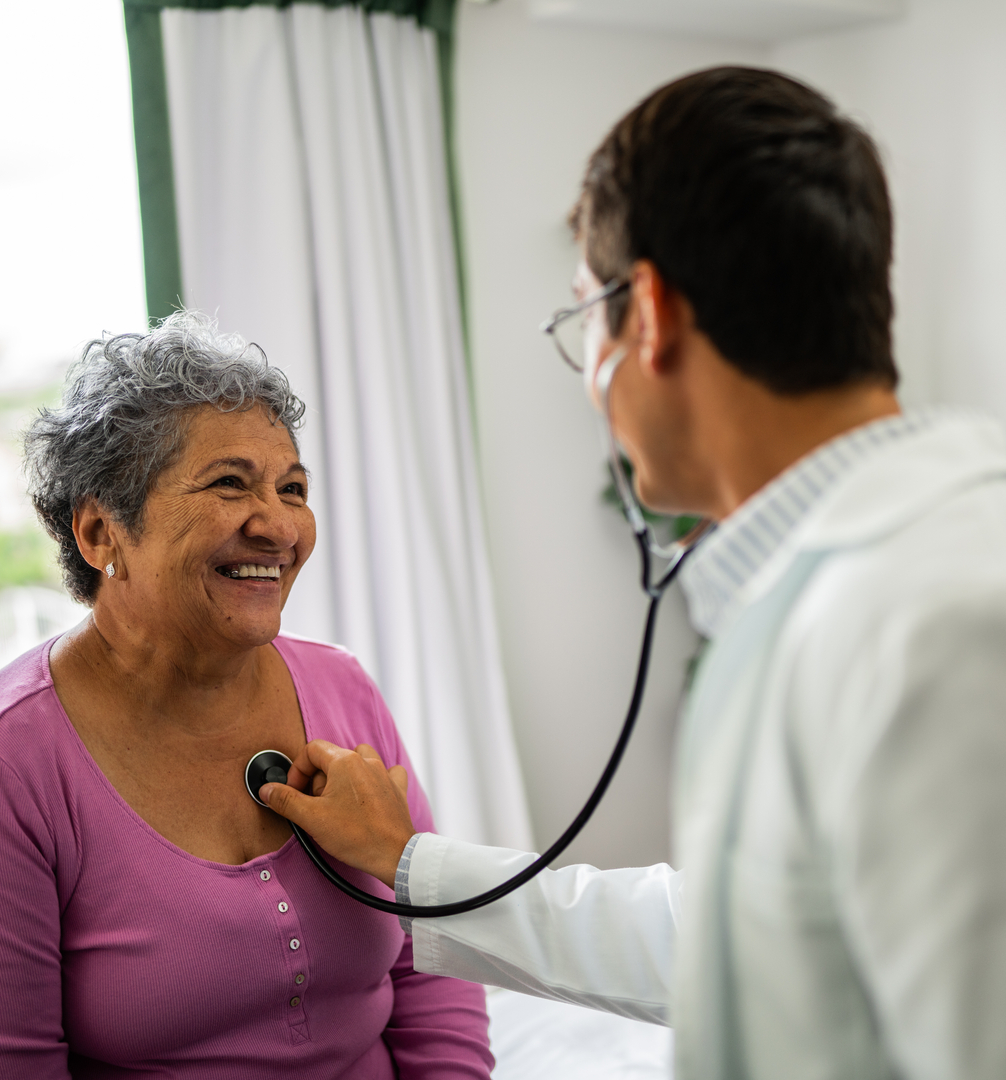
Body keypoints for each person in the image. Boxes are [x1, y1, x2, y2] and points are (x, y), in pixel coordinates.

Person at [256, 66, 1006, 1079]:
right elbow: (729, 937)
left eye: (583, 323)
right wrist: (407, 864)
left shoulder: (934, 617)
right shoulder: (826, 589)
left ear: (645, 313)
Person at [0, 312, 494, 1079]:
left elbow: (432, 967)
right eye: (230, 484)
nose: (279, 526)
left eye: (292, 488)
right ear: (99, 534)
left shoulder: (342, 689)